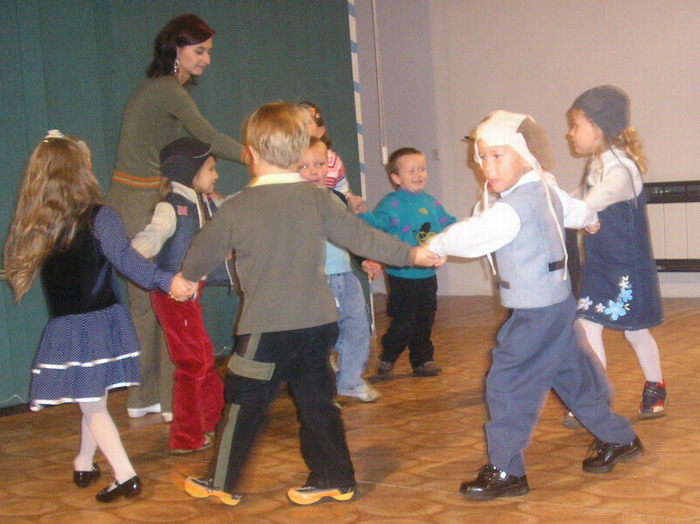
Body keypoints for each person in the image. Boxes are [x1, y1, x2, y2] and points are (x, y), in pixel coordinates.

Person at [180, 101, 444, 507]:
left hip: (266, 330)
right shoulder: (320, 199)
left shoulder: (236, 206)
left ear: (251, 154)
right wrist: (413, 254)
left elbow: (201, 253)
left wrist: (184, 279)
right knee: (318, 404)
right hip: (319, 325)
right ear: (297, 150)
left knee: (243, 404)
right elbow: (364, 238)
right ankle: (335, 479)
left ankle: (220, 481)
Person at [428, 111, 642, 501]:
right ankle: (619, 437)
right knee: (573, 375)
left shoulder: (513, 207)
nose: (487, 166)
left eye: (498, 156)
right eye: (482, 157)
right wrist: (589, 218)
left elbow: (478, 233)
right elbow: (572, 208)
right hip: (556, 303)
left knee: (508, 381)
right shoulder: (544, 188)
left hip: (536, 312)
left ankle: (506, 469)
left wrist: (436, 245)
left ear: (525, 156)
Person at [2, 132, 194, 502]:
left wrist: (165, 280)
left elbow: (121, 260)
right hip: (99, 324)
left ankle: (101, 468)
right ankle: (114, 471)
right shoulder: (99, 218)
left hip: (74, 327)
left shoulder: (41, 224)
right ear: (79, 172)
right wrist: (167, 280)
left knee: (92, 401)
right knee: (93, 403)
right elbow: (126, 260)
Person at [106, 14, 244, 422]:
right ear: (176, 49)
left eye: (209, 52)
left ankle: (146, 397)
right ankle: (169, 401)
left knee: (147, 304)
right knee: (169, 297)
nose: (206, 60)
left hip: (138, 197)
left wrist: (204, 187)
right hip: (140, 200)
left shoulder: (159, 90)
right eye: (199, 51)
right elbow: (208, 138)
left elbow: (179, 155)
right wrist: (259, 157)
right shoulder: (167, 90)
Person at [567, 85, 666, 421]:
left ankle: (655, 384)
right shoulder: (597, 165)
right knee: (587, 324)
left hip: (627, 268)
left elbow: (585, 205)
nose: (570, 133)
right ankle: (595, 396)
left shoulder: (620, 171)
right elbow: (575, 200)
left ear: (597, 129)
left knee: (634, 330)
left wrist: (577, 213)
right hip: (599, 264)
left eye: (576, 126)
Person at [132, 137, 231, 454]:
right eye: (211, 169)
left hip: (190, 295)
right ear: (190, 171)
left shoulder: (200, 203)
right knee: (193, 363)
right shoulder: (170, 207)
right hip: (173, 298)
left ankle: (215, 420)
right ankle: (185, 436)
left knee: (204, 356)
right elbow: (151, 238)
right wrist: (128, 256)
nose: (216, 176)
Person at [353, 147, 456, 379]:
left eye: (422, 169)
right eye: (411, 171)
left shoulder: (431, 202)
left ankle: (423, 360)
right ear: (396, 178)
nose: (418, 174)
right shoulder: (392, 203)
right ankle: (389, 355)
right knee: (404, 322)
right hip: (401, 275)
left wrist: (467, 228)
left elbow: (448, 223)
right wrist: (362, 213)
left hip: (427, 275)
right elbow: (377, 225)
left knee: (425, 320)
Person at [297, 136, 382, 402]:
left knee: (358, 328)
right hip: (315, 280)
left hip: (345, 277)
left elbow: (349, 235)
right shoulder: (293, 202)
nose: (314, 172)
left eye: (320, 164)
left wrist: (363, 259)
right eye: (304, 166)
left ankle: (350, 381)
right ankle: (320, 390)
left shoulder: (335, 198)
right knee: (321, 335)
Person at [298, 101, 350, 195]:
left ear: (320, 131)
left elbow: (343, 193)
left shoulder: (333, 161)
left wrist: (349, 199)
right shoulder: (289, 160)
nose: (300, 128)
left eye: (305, 123)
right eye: (295, 124)